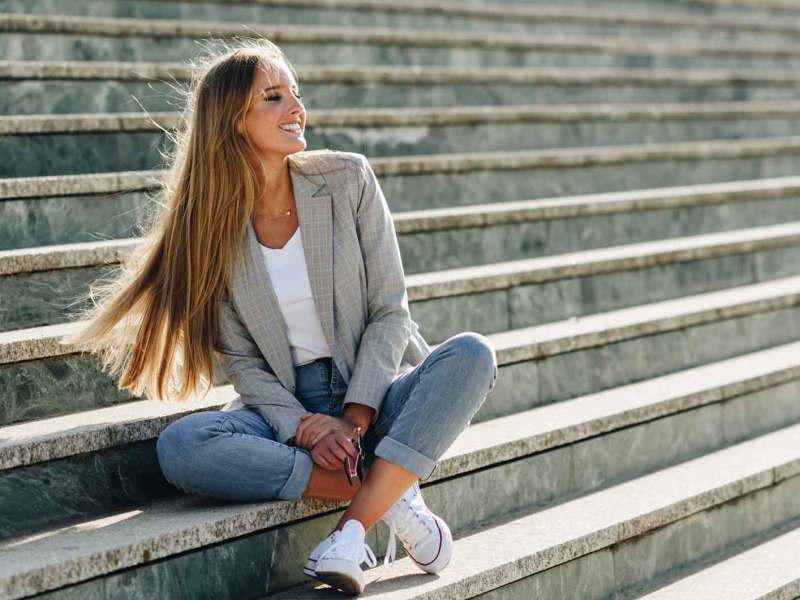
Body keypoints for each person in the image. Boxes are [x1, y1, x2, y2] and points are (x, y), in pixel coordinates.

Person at [62, 38, 498, 596]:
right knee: (183, 445)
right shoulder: (211, 230)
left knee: (471, 355)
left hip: (376, 390)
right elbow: (243, 360)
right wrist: (303, 426)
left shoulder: (347, 180)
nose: (297, 108)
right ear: (233, 121)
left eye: (296, 93)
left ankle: (350, 530)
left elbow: (390, 313)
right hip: (284, 411)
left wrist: (354, 422)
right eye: (274, 97)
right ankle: (391, 491)